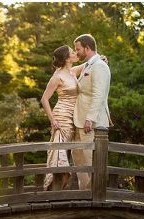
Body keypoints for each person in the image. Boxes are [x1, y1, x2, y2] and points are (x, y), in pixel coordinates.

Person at [40, 45, 107, 190]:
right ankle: (52, 188)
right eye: (72, 52)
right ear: (66, 58)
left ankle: (61, 189)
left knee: (68, 151)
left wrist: (100, 59)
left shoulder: (72, 71)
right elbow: (44, 99)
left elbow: (88, 64)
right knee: (59, 152)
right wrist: (52, 119)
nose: (76, 53)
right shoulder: (57, 77)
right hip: (62, 117)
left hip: (74, 117)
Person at [71, 33, 111, 190]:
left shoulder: (100, 67)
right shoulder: (89, 65)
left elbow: (98, 95)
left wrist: (90, 118)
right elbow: (71, 70)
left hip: (91, 123)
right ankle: (84, 193)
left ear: (87, 48)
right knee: (78, 158)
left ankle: (94, 194)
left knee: (91, 161)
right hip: (79, 120)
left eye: (78, 49)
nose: (76, 52)